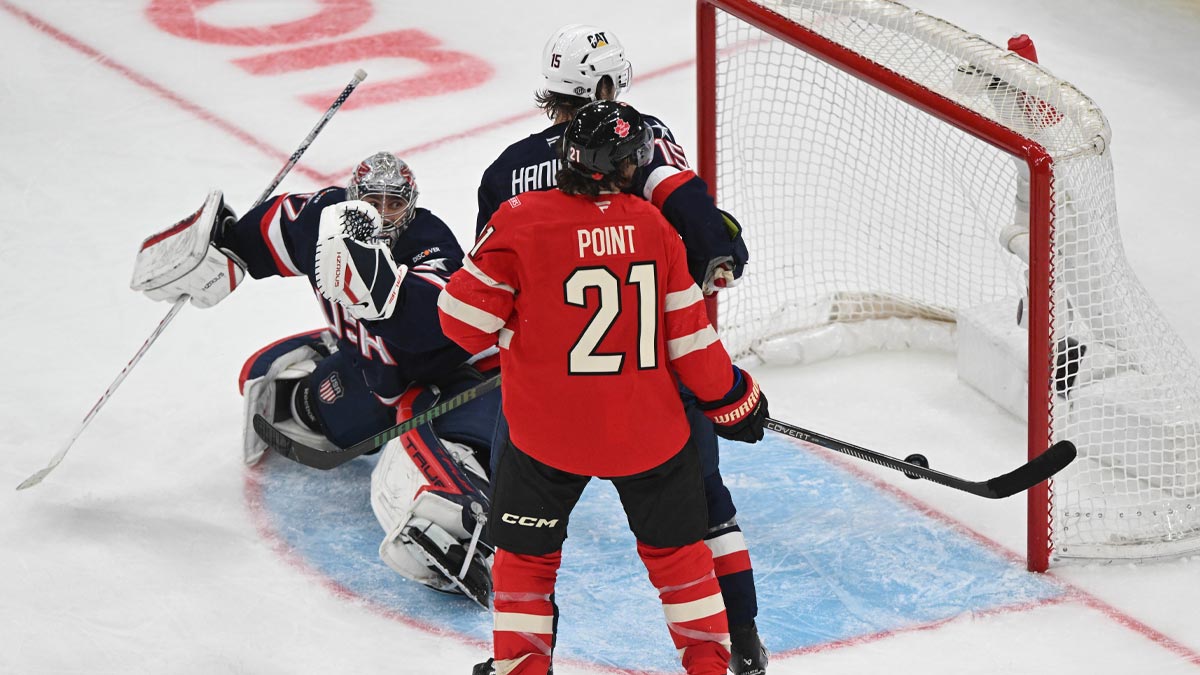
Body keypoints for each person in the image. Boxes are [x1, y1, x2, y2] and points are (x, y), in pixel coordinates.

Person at [475, 24, 767, 673]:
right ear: (603, 85)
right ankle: (737, 644)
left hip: (545, 392)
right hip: (655, 374)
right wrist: (721, 248)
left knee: (520, 533)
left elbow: (488, 294)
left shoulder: (506, 172)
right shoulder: (643, 137)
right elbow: (698, 233)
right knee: (702, 509)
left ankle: (515, 661)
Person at [131, 152, 500, 605]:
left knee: (463, 442)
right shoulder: (319, 221)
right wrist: (216, 248)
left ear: (411, 204)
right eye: (373, 201)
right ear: (353, 197)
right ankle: (325, 366)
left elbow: (430, 325)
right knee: (321, 418)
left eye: (394, 204)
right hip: (372, 369)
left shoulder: (428, 238)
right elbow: (266, 230)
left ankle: (460, 501)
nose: (383, 214)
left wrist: (378, 285)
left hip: (451, 373)